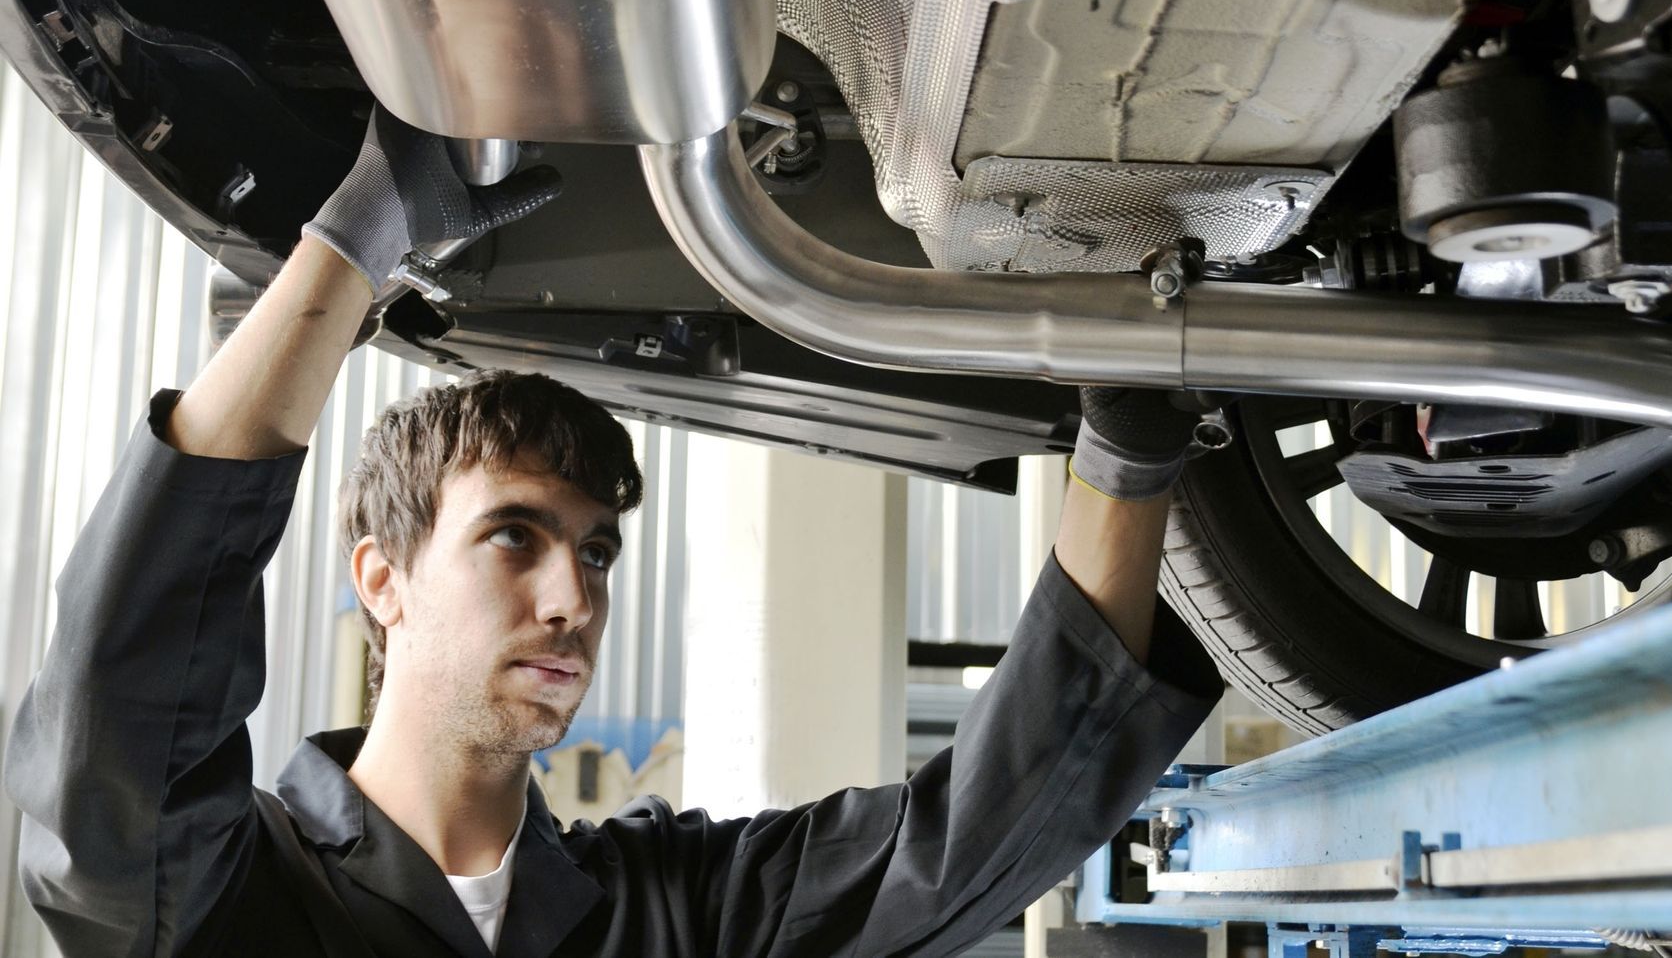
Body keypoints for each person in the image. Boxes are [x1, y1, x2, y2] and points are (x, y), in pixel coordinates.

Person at [3, 108, 1223, 957]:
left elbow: (964, 849)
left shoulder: (666, 910)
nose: (572, 599)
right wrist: (358, 240)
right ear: (382, 578)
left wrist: (1123, 449)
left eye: (594, 551)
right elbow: (114, 726)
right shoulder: (232, 904)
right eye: (514, 538)